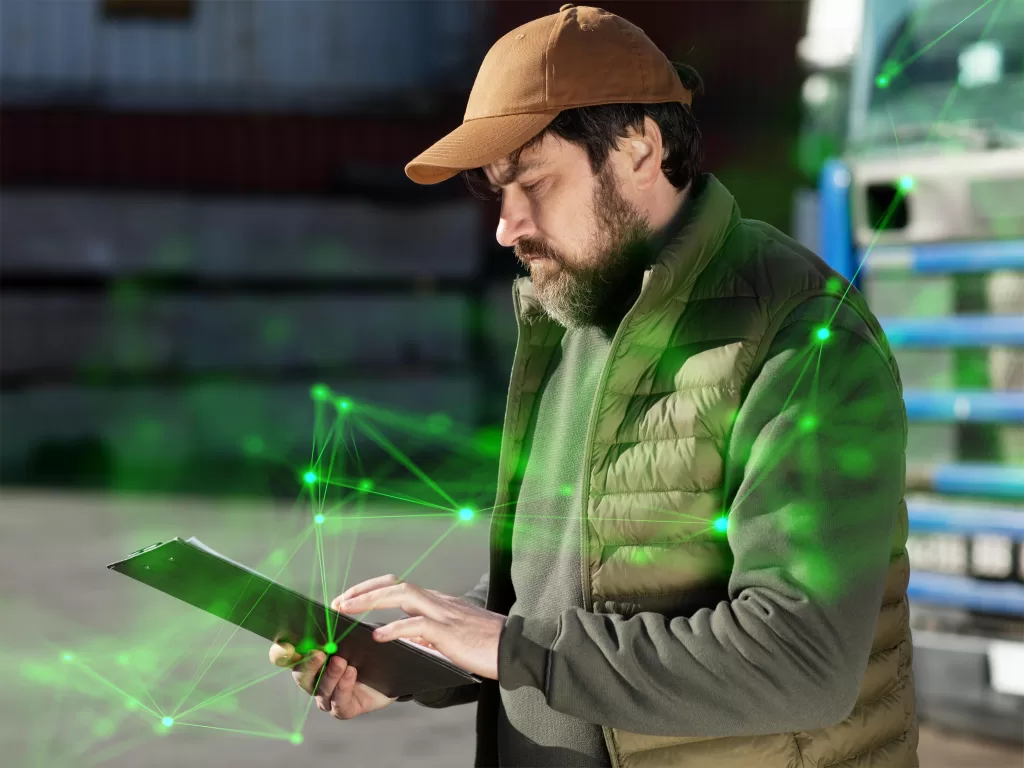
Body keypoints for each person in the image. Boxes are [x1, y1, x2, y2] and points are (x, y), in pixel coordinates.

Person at [270, 5, 918, 767]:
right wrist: (413, 659)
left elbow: (799, 660)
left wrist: (515, 647)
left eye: (532, 182)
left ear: (638, 147)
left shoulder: (803, 335)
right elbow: (558, 600)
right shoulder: (571, 319)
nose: (506, 228)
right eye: (495, 193)